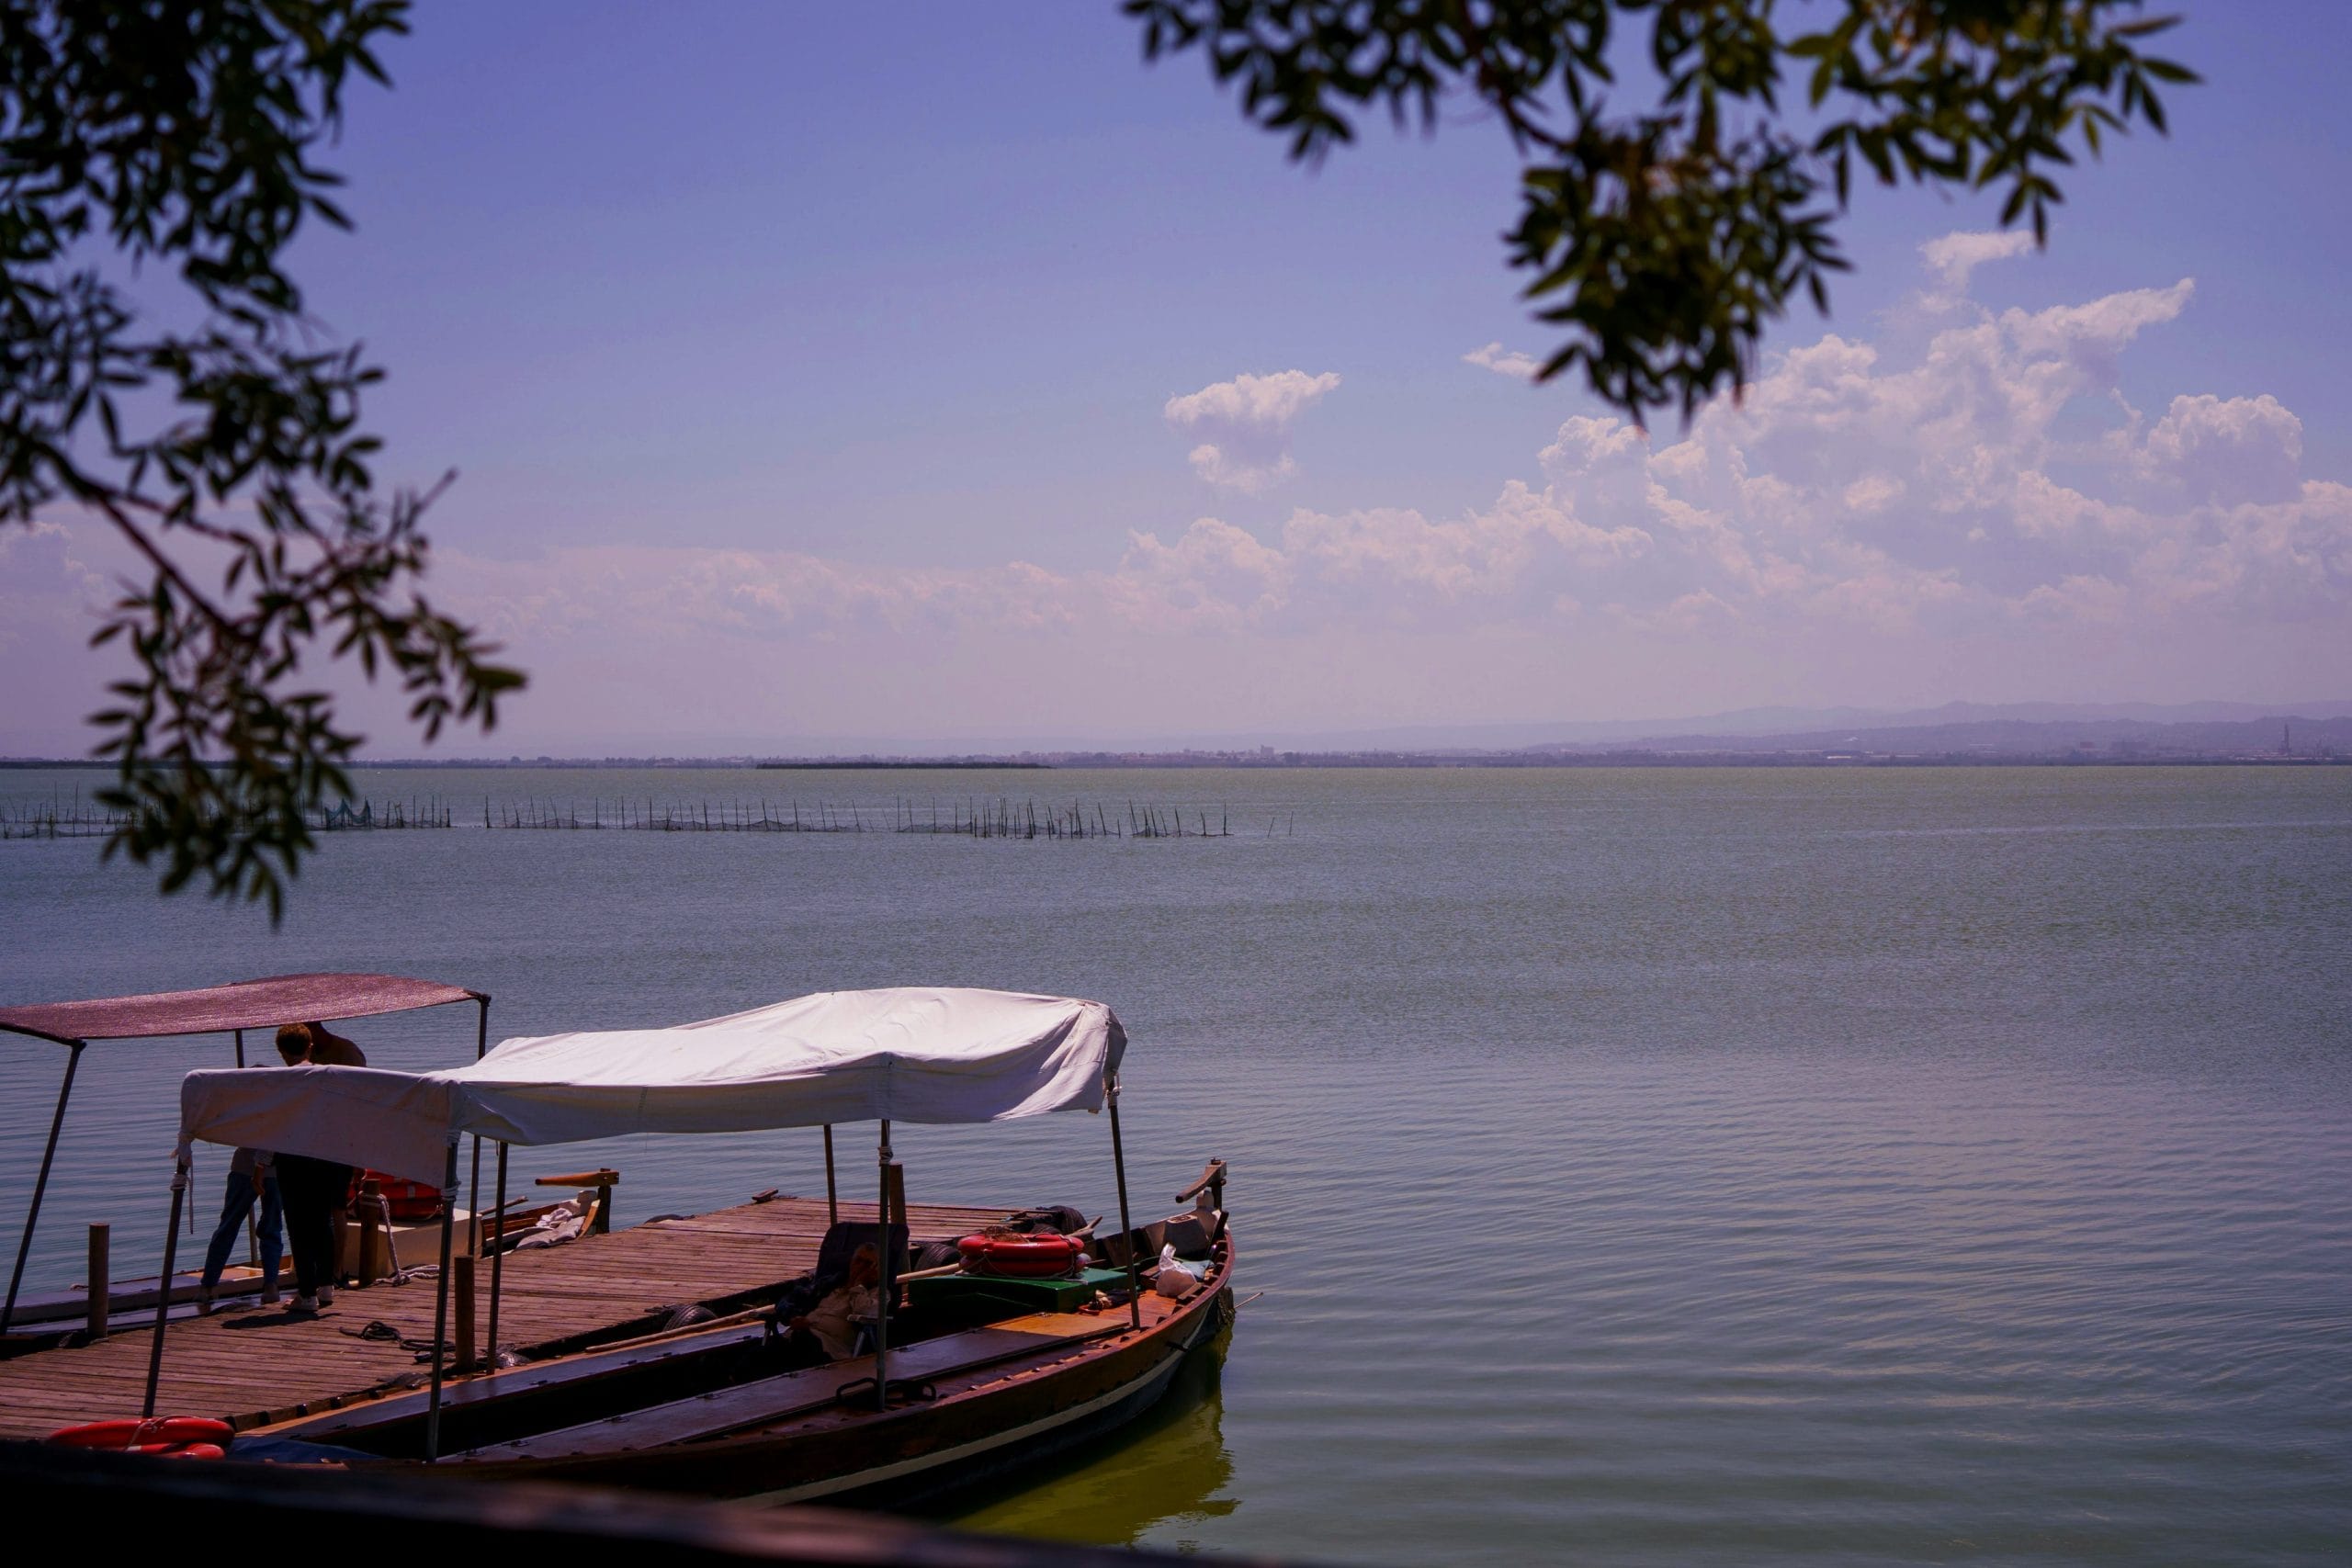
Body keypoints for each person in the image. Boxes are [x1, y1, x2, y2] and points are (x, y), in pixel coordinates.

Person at [271, 1023, 363, 1313]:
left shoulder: (279, 1082)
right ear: (310, 1046)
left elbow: (271, 1125)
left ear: (281, 1051)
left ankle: (307, 1294)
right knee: (323, 1223)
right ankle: (326, 1288)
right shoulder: (327, 1077)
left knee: (299, 1227)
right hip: (325, 1156)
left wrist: (261, 1164)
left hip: (293, 1158)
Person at [196, 1146, 282, 1314]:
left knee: (228, 1226)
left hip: (245, 1166)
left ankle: (207, 1287)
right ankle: (271, 1285)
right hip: (275, 1170)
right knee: (271, 1228)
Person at [786, 1243, 880, 1363]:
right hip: (800, 1335)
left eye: (867, 1264)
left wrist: (859, 1285)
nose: (860, 1266)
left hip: (828, 1347)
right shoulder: (834, 1285)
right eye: (858, 1261)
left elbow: (864, 1311)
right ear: (851, 1262)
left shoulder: (877, 1293)